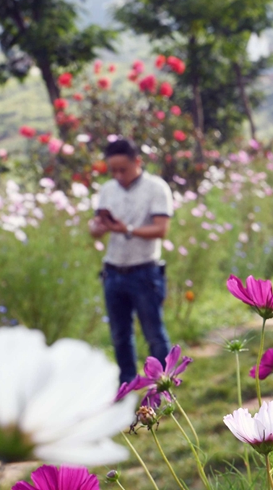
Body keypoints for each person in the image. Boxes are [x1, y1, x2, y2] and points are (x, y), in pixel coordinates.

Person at [89, 139, 174, 384]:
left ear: (137, 162)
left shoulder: (156, 188)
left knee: (154, 334)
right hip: (112, 271)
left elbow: (161, 229)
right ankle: (126, 384)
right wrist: (98, 227)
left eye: (122, 169)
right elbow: (96, 231)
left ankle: (165, 384)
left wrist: (125, 228)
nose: (117, 175)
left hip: (144, 271)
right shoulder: (108, 189)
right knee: (119, 335)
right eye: (112, 170)